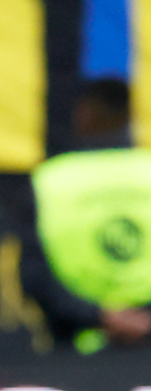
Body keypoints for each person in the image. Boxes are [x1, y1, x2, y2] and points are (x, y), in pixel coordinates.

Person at [23, 77, 151, 350]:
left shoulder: (49, 180)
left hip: (75, 352)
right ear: (131, 115)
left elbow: (34, 277)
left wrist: (99, 316)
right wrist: (142, 320)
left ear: (83, 113)